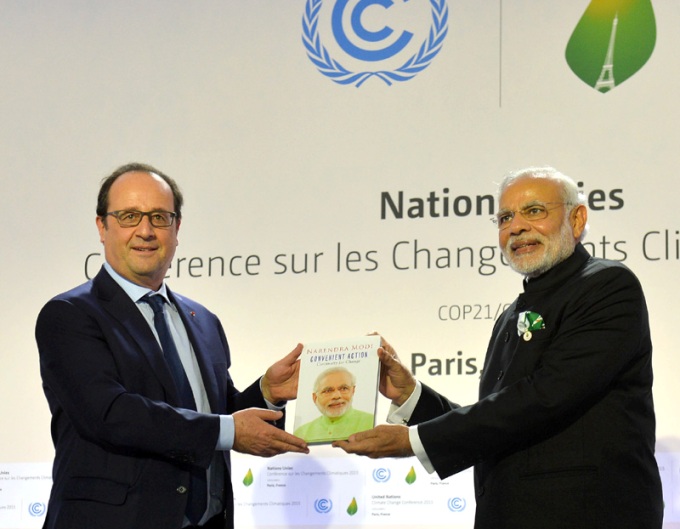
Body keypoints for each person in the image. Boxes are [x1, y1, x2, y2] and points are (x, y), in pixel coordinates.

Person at [333, 167, 664, 528]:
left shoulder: (607, 286)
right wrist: (411, 396)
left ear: (577, 218)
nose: (516, 227)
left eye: (534, 211)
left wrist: (413, 440)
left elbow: (546, 396)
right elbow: (499, 422)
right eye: (505, 217)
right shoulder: (510, 316)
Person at [36, 162, 309, 529]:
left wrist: (267, 392)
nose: (145, 231)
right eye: (129, 216)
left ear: (177, 229)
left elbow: (215, 412)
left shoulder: (204, 320)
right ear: (102, 227)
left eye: (160, 217)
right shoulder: (69, 315)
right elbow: (111, 414)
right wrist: (227, 430)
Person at [293, 366, 374, 443]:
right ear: (315, 398)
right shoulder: (301, 433)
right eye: (328, 391)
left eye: (344, 388)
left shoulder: (372, 423)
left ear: (353, 391)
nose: (336, 396)